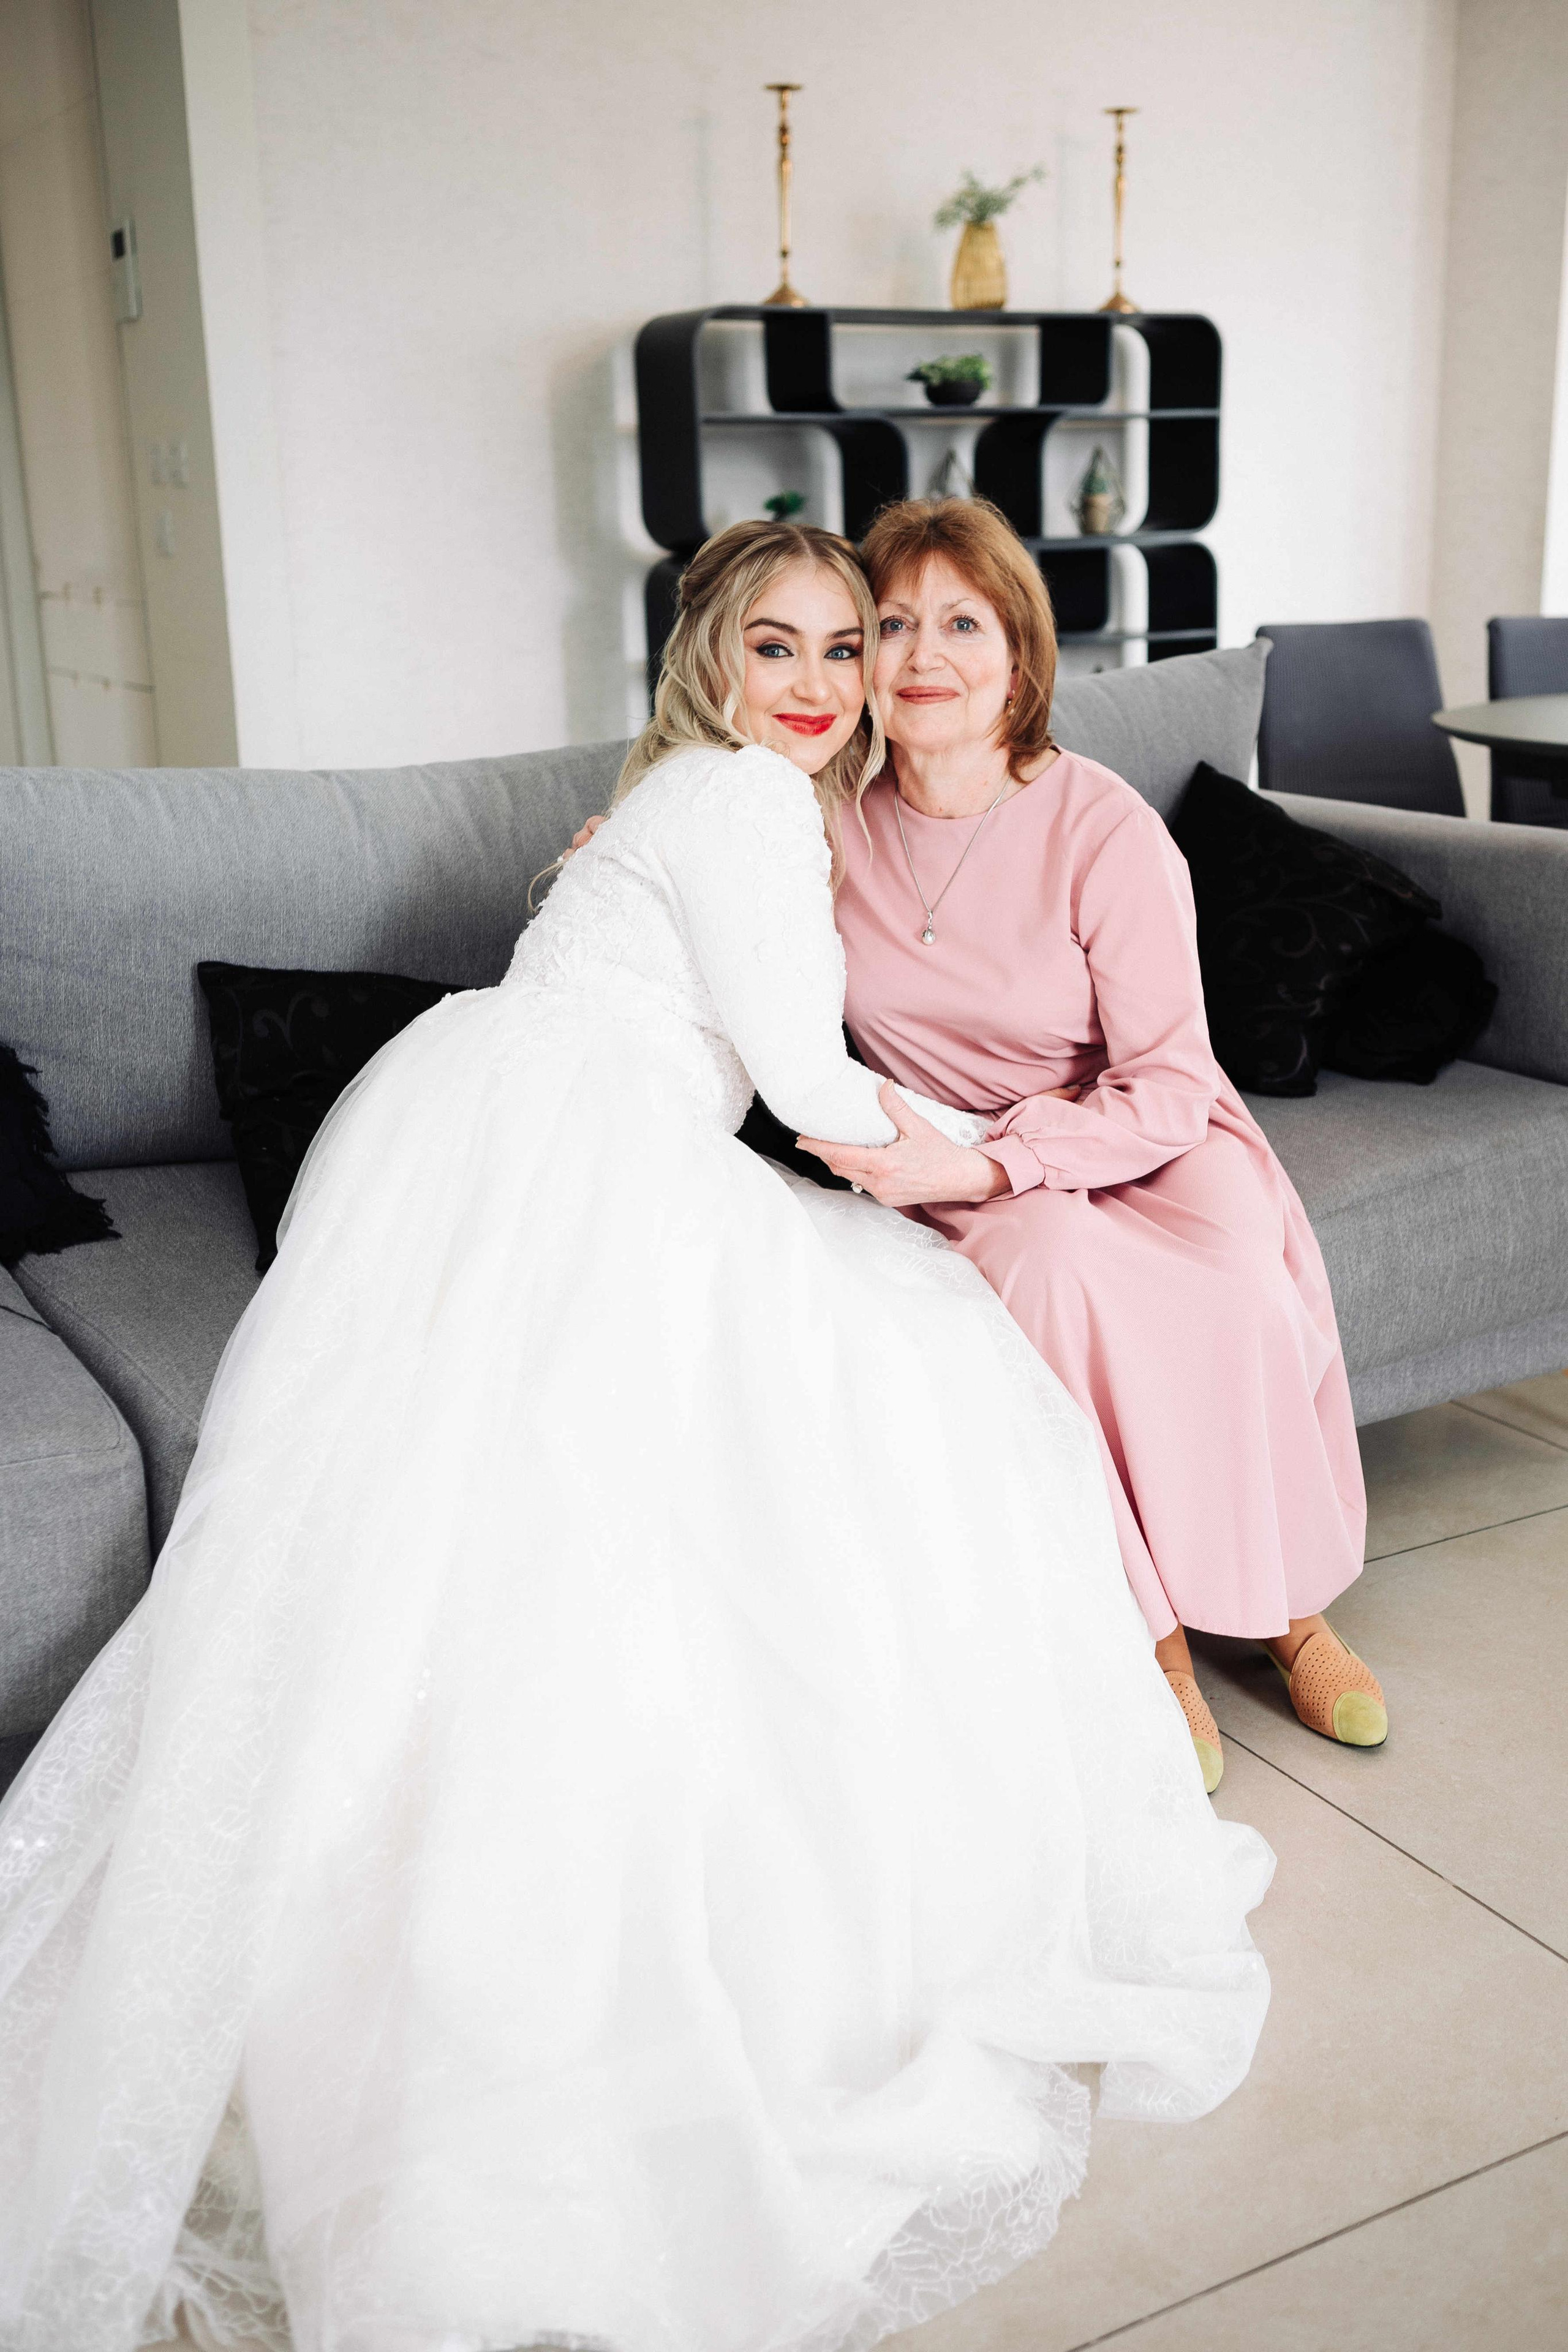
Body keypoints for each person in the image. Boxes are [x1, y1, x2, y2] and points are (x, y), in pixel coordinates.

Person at [0, 520, 1270, 2352]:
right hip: (596, 1150)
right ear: (711, 656)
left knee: (474, 1529)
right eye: (787, 648)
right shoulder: (744, 803)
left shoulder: (703, 792)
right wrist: (958, 1160)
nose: (827, 687)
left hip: (485, 1127)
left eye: (851, 652)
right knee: (903, 1359)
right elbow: (810, 1080)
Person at [797, 499, 1385, 1795]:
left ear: (1019, 653)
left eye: (960, 622)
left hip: (1139, 1134)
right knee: (1051, 1276)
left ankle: (1285, 1611)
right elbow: (704, 888)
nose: (919, 656)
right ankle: (1153, 1639)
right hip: (954, 1153)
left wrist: (1012, 1160)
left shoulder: (1102, 822)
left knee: (1237, 1280)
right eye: (888, 625)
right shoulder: (821, 817)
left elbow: (1169, 1078)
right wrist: (626, 855)